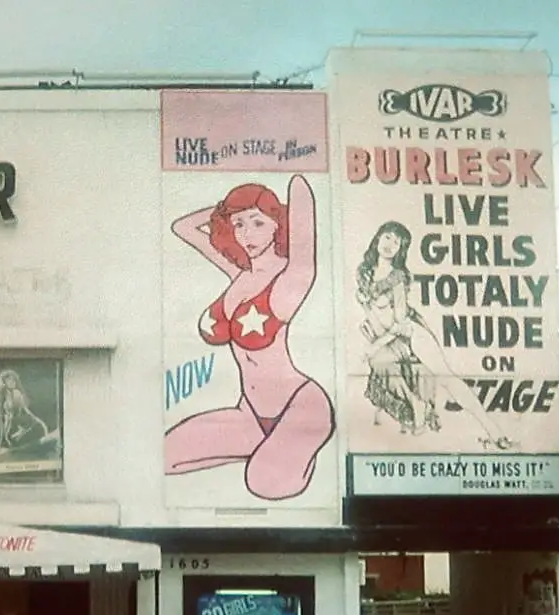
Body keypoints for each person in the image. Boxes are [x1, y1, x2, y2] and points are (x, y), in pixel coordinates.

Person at [164, 175, 336, 500]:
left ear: (277, 225)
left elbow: (304, 239)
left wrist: (297, 190)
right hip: (250, 414)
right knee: (164, 456)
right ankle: (266, 450)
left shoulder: (291, 278)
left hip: (299, 407)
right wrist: (223, 210)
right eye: (239, 224)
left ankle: (285, 453)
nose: (246, 234)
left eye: (258, 223)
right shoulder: (238, 273)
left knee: (262, 484)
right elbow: (183, 227)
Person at [354, 221, 513, 449]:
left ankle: (494, 431)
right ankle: (418, 409)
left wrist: (375, 344)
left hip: (412, 335)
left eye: (397, 242)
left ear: (401, 249)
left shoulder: (397, 277)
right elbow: (373, 313)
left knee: (449, 379)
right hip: (390, 341)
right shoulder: (364, 272)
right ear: (378, 237)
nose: (390, 244)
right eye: (387, 237)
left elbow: (401, 324)